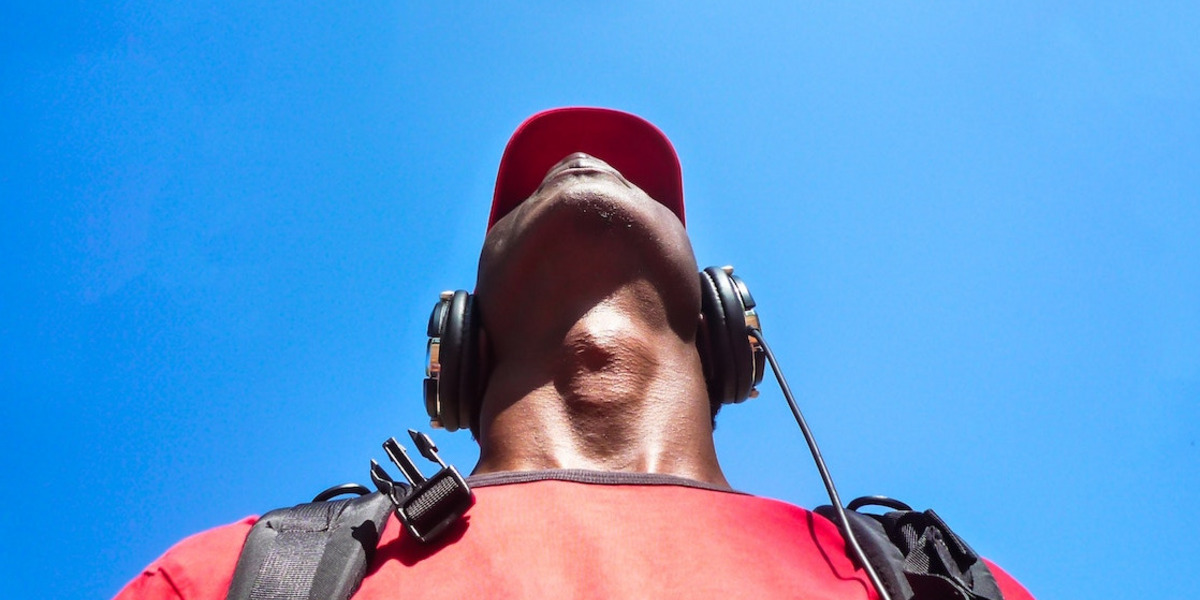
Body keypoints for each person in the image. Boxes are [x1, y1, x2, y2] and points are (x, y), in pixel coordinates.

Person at [115, 107, 1035, 600]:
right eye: (526, 195)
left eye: (640, 183)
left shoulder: (933, 582)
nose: (585, 163)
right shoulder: (251, 575)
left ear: (729, 325)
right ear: (457, 346)